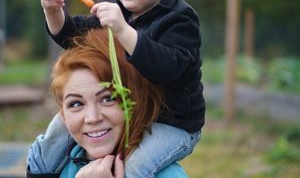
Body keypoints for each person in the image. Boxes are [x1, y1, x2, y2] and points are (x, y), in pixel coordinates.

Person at [37, 0, 205, 176]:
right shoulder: (121, 11)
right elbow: (71, 35)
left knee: (134, 167)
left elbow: (165, 68)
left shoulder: (180, 20)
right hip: (132, 112)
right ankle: (38, 170)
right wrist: (53, 12)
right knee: (57, 131)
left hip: (172, 123)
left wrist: (123, 31)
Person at [27, 28, 189, 178]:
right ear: (62, 114)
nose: (92, 118)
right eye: (76, 104)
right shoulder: (54, 166)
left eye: (107, 99)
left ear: (134, 102)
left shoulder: (168, 175)